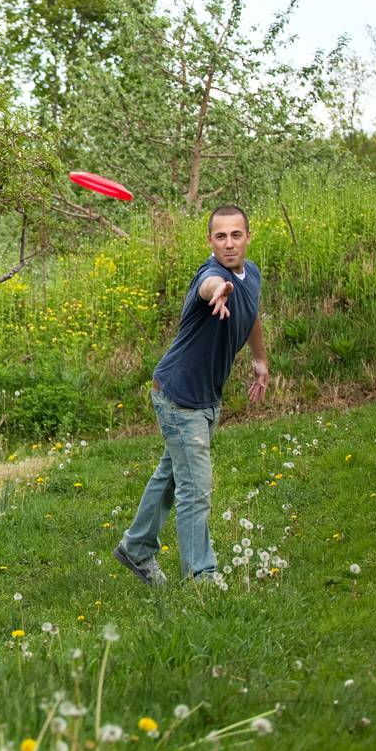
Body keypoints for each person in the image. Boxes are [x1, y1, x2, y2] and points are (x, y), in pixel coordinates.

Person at [114, 205, 269, 585]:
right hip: (180, 398)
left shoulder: (251, 276)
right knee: (195, 489)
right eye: (221, 236)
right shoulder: (212, 275)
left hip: (201, 396)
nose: (229, 243)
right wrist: (219, 291)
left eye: (236, 235)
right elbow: (209, 287)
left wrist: (260, 360)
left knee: (170, 476)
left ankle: (135, 548)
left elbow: (252, 315)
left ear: (248, 237)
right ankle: (202, 576)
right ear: (210, 241)